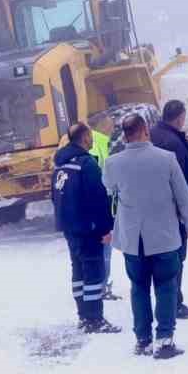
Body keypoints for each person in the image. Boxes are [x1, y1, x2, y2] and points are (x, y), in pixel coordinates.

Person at [104, 113, 188, 359]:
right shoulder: (166, 159)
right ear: (145, 130)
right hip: (164, 236)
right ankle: (165, 340)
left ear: (124, 135)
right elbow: (183, 196)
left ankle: (143, 340)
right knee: (166, 286)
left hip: (132, 240)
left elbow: (109, 188)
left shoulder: (113, 163)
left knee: (138, 287)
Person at [52, 122, 120, 334]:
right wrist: (105, 228)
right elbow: (98, 198)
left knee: (78, 270)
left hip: (69, 227)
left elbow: (55, 196)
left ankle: (83, 315)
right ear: (84, 138)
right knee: (93, 272)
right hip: (88, 228)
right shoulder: (87, 164)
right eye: (90, 136)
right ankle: (94, 319)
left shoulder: (61, 165)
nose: (92, 140)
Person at [150, 99, 188, 319]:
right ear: (180, 117)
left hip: (152, 209)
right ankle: (174, 304)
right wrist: (187, 216)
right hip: (173, 212)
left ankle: (164, 300)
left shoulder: (152, 135)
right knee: (176, 258)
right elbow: (180, 184)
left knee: (160, 258)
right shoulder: (174, 143)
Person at [88, 126, 121, 301]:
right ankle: (101, 286)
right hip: (102, 201)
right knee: (104, 247)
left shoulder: (70, 141)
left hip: (86, 205)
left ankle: (93, 285)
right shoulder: (102, 142)